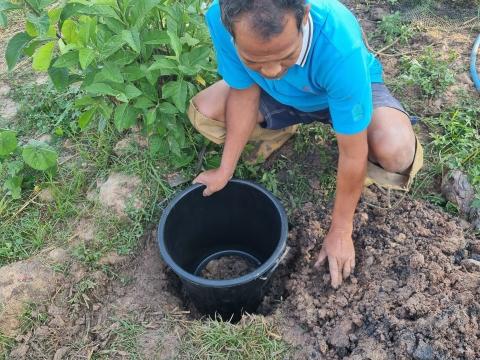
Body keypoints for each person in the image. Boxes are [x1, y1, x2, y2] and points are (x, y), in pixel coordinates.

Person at [188, 0, 423, 288]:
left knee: (394, 151)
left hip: (341, 93)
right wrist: (225, 168)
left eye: (286, 55)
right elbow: (243, 91)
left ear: (304, 16)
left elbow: (352, 152)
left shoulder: (338, 42)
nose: (273, 69)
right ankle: (282, 128)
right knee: (207, 112)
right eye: (254, 59)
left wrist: (340, 229)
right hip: (278, 96)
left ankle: (364, 149)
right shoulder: (223, 16)